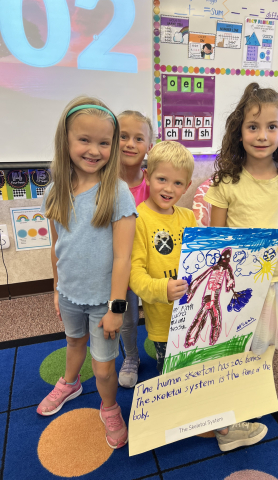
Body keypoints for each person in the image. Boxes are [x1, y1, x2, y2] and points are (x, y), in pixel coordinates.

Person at [204, 82, 278, 451]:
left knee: (262, 349)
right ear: (239, 131)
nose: (262, 135)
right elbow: (216, 240)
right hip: (239, 284)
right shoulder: (227, 181)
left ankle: (243, 404)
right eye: (253, 127)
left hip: (277, 280)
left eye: (271, 127)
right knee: (234, 346)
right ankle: (227, 422)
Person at [37, 97, 137, 450]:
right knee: (73, 343)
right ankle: (69, 382)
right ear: (65, 140)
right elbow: (56, 247)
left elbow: (123, 258)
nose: (94, 150)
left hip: (104, 303)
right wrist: (55, 289)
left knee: (105, 369)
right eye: (84, 140)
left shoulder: (118, 193)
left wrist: (116, 309)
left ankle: (109, 407)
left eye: (104, 142)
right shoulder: (54, 191)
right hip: (69, 294)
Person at [129, 141, 198, 374]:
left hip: (192, 311)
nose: (169, 189)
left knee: (192, 366)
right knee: (168, 371)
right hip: (162, 317)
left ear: (187, 186)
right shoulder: (138, 219)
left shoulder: (188, 217)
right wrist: (162, 290)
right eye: (162, 180)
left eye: (177, 183)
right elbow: (134, 274)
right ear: (147, 177)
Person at [117, 110, 153, 388]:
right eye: (123, 136)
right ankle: (131, 356)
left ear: (149, 147)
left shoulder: (155, 183)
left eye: (138, 138)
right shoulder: (105, 184)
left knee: (161, 311)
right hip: (119, 265)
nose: (130, 143)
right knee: (126, 318)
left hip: (151, 263)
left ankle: (167, 353)